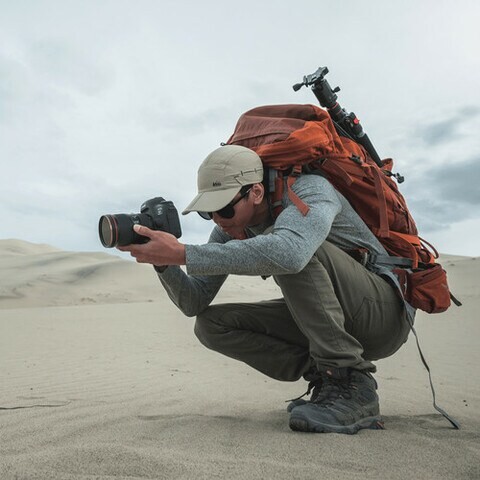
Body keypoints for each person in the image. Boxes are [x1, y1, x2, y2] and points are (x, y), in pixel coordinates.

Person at [118, 144, 413, 434]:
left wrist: (183, 253)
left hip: (383, 315)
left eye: (223, 209)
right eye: (208, 213)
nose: (218, 220)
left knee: (287, 248)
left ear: (255, 192)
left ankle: (350, 382)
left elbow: (290, 253)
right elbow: (193, 302)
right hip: (333, 321)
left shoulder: (311, 190)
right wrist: (162, 261)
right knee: (211, 325)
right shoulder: (228, 228)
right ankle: (326, 380)